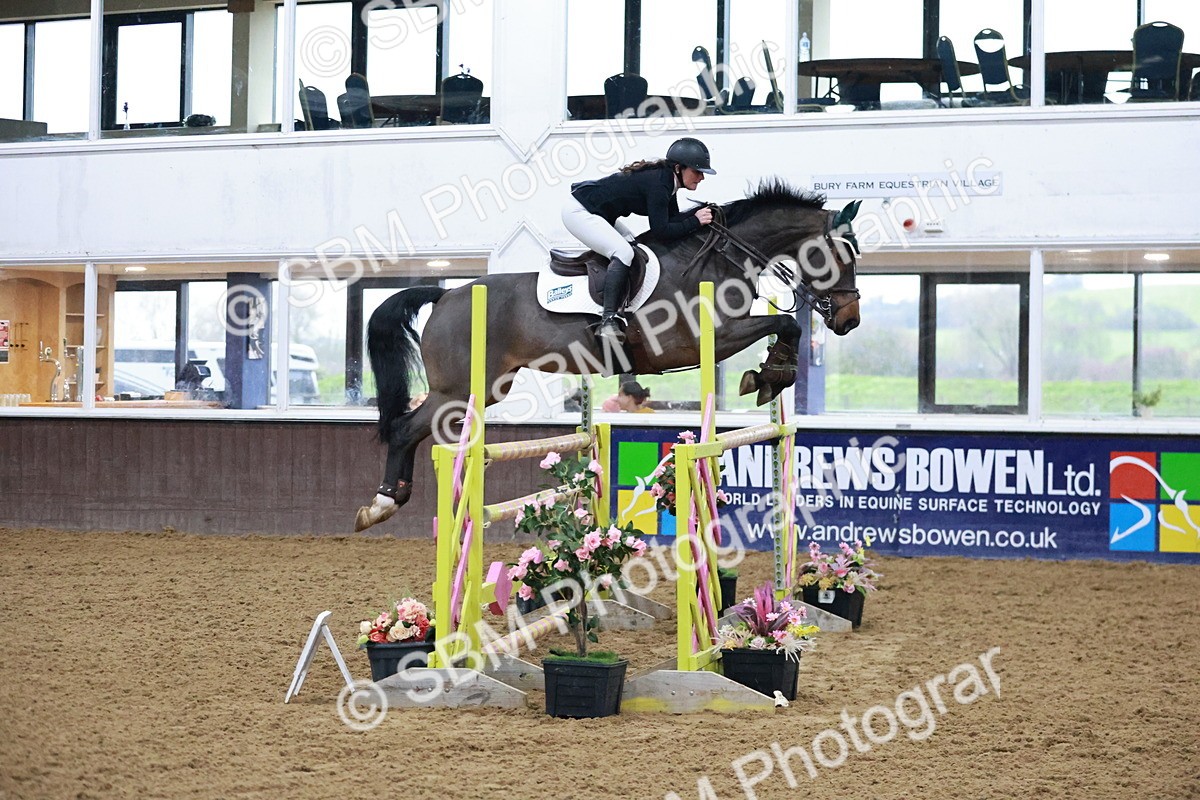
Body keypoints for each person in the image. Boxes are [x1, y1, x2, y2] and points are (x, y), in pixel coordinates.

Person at [562, 137, 717, 345]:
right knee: (623, 253)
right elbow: (661, 231)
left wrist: (699, 214)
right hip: (579, 212)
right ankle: (607, 320)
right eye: (698, 171)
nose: (701, 178)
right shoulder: (660, 184)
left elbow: (672, 220)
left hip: (600, 214)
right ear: (679, 168)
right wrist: (695, 222)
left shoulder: (668, 182)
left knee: (634, 248)